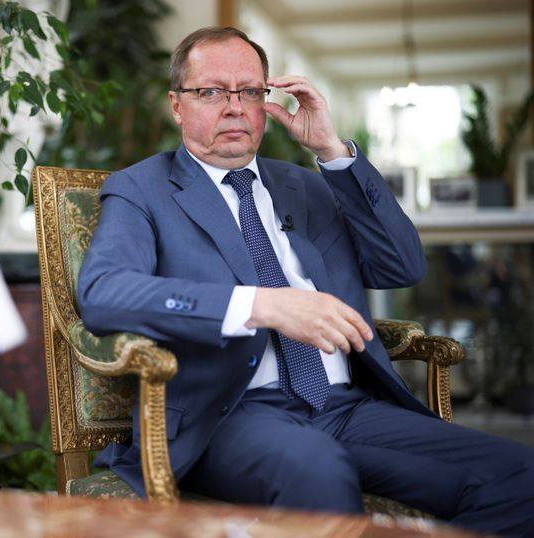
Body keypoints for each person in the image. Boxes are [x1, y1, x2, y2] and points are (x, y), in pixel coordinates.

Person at [77, 26, 534, 536]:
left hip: (347, 407)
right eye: (210, 92)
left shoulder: (307, 185)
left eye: (249, 91)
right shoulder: (142, 189)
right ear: (177, 105)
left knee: (520, 476)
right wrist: (261, 305)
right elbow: (104, 293)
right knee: (318, 469)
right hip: (232, 416)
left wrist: (334, 153)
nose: (233, 107)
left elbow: (401, 267)